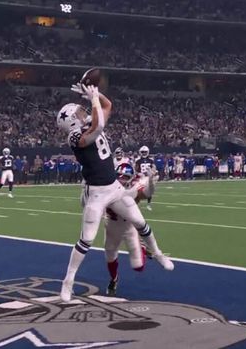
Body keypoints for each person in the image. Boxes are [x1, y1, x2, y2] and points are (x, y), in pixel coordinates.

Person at [57, 83, 173, 302]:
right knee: (87, 240)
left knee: (140, 222)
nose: (83, 113)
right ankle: (68, 282)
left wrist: (96, 94)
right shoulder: (74, 137)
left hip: (115, 188)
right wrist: (92, 100)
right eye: (79, 113)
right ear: (71, 120)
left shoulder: (90, 122)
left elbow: (108, 105)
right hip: (97, 193)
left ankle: (158, 254)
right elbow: (97, 128)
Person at [103, 163, 169, 296]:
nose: (121, 179)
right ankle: (114, 279)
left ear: (131, 178)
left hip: (129, 227)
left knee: (138, 266)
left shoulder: (134, 188)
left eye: (125, 177)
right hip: (111, 227)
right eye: (119, 176)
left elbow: (147, 193)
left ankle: (143, 247)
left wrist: (150, 181)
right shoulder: (108, 186)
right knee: (110, 257)